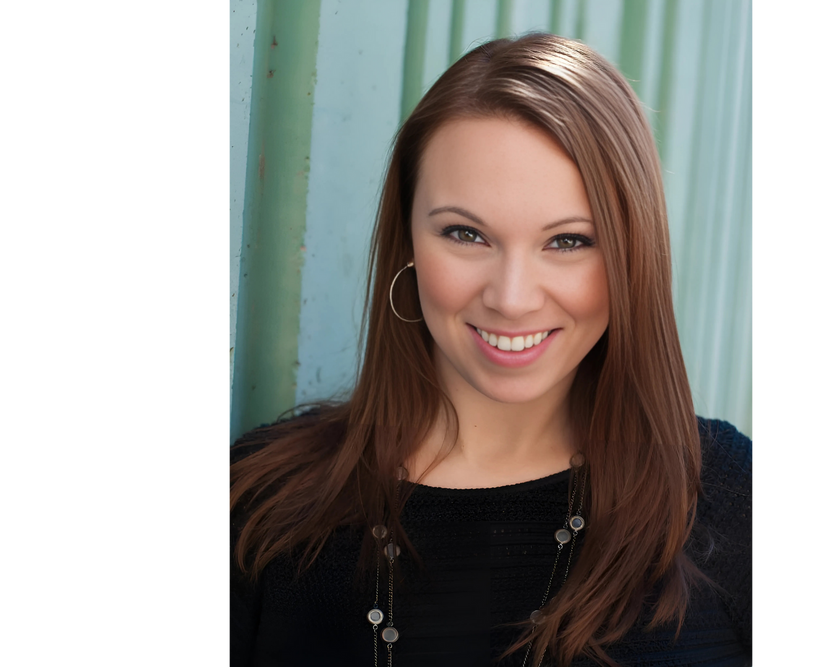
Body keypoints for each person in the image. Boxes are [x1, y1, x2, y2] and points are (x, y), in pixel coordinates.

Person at [227, 33, 755, 667]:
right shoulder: (260, 510)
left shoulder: (731, 499)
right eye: (466, 233)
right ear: (409, 244)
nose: (511, 298)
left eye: (567, 242)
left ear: (631, 255)